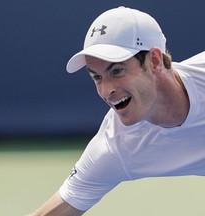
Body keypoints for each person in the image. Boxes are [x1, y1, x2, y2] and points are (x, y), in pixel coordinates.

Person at [28, 6, 205, 216]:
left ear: (155, 61)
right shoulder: (114, 147)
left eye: (117, 71)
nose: (106, 90)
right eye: (97, 77)